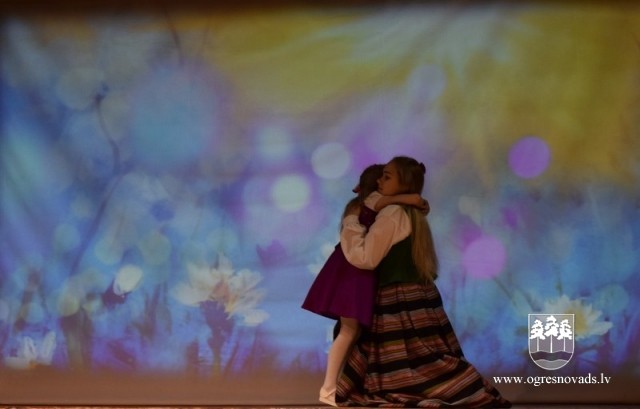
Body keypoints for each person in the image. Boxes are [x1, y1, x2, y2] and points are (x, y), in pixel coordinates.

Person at [336, 156, 510, 408]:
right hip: (418, 294)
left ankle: (437, 388)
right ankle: (452, 387)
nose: (380, 181)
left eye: (387, 177)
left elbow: (366, 258)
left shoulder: (392, 214)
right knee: (425, 351)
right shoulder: (409, 211)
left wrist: (350, 223)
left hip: (398, 298)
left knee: (412, 355)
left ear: (404, 183)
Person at [302, 163, 428, 407]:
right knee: (349, 331)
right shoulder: (369, 202)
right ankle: (328, 389)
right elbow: (399, 201)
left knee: (352, 331)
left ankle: (337, 386)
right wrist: (415, 199)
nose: (383, 183)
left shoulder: (369, 205)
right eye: (382, 179)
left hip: (355, 274)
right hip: (353, 274)